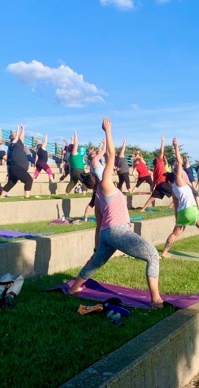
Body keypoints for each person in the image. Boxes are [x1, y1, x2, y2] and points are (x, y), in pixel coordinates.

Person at [68, 118, 164, 308]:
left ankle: (73, 289)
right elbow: (112, 153)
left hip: (106, 234)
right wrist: (108, 131)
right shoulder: (105, 184)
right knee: (152, 255)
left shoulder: (98, 195)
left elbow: (98, 225)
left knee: (95, 263)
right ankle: (155, 299)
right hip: (118, 231)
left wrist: (97, 248)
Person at [139, 136, 173, 212]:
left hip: (158, 185)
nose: (163, 161)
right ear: (157, 161)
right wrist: (162, 141)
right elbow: (161, 152)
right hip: (163, 183)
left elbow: (154, 181)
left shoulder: (154, 170)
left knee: (152, 197)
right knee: (176, 193)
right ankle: (173, 206)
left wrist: (152, 189)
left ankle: (143, 209)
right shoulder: (159, 163)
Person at [1, 125, 33, 198]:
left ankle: (1, 197)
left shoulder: (19, 142)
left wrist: (23, 129)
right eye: (14, 135)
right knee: (29, 180)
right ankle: (27, 197)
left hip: (15, 168)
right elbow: (16, 137)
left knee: (10, 183)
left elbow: (21, 137)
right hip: (16, 167)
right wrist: (17, 129)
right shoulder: (12, 144)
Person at [83, 140, 106, 221]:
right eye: (94, 153)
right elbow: (103, 151)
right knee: (99, 201)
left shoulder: (92, 162)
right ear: (91, 156)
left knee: (93, 202)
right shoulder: (94, 160)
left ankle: (85, 217)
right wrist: (104, 143)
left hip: (97, 184)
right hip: (100, 184)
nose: (95, 154)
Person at [65, 130, 87, 194]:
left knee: (72, 182)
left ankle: (66, 193)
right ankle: (84, 192)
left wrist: (72, 140)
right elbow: (76, 143)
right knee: (85, 180)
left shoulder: (70, 156)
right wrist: (75, 134)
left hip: (73, 171)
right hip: (79, 170)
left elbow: (71, 146)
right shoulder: (74, 153)